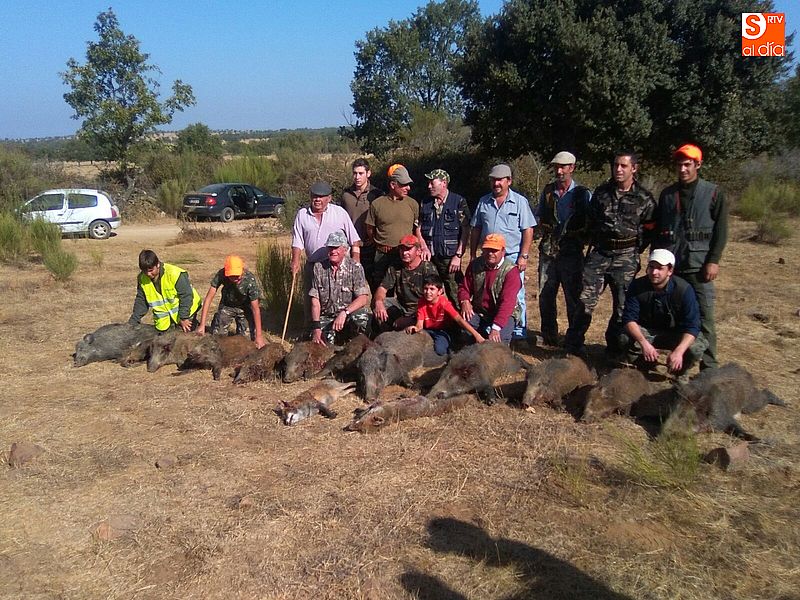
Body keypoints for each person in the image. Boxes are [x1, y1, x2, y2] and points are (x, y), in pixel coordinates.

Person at [564, 151, 656, 358]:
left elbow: (650, 229)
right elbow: (591, 222)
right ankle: (573, 346)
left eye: (623, 166)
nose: (618, 170)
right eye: (616, 165)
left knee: (623, 306)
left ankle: (614, 348)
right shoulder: (601, 193)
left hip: (626, 256)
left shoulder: (645, 198)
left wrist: (635, 249)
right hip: (600, 254)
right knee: (584, 301)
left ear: (634, 168)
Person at [653, 143, 728, 370]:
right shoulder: (667, 195)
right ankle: (680, 360)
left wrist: (713, 260)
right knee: (674, 314)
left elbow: (721, 230)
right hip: (672, 266)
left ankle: (709, 367)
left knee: (705, 317)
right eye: (679, 165)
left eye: (688, 164)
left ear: (698, 164)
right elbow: (659, 231)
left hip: (698, 266)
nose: (683, 169)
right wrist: (656, 263)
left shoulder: (712, 193)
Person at [469, 163, 535, 340]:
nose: (496, 183)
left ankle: (519, 330)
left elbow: (528, 230)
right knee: (486, 290)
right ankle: (490, 324)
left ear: (509, 181)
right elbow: (476, 228)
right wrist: (473, 253)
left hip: (512, 255)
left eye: (500, 180)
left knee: (516, 295)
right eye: (493, 180)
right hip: (488, 255)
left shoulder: (520, 202)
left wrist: (524, 255)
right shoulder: (483, 201)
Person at [622, 249, 707, 382]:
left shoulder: (684, 290)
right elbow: (629, 319)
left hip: (676, 333)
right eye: (651, 267)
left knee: (696, 347)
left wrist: (679, 351)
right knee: (624, 337)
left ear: (670, 271)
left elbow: (692, 326)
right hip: (649, 332)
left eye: (660, 268)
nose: (654, 272)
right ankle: (643, 366)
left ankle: (680, 371)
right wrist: (644, 344)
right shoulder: (637, 286)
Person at [535, 151, 591, 347]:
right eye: (556, 167)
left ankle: (574, 338)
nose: (559, 171)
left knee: (573, 297)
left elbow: (589, 223)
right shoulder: (548, 191)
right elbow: (540, 216)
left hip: (572, 253)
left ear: (572, 168)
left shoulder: (583, 194)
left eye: (563, 167)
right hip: (549, 252)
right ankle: (549, 335)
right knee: (545, 295)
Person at [291, 181, 361, 322]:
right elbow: (297, 241)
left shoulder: (339, 213)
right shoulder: (302, 215)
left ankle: (349, 328)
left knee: (344, 297)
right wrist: (295, 261)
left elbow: (354, 239)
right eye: (314, 196)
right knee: (311, 299)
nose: (317, 199)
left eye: (321, 196)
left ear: (328, 198)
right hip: (314, 264)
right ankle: (311, 329)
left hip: (338, 265)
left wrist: (356, 259)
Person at [418, 168, 471, 305]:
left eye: (432, 183)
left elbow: (466, 229)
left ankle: (461, 324)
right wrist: (423, 247)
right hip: (430, 256)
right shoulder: (425, 203)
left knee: (456, 293)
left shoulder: (458, 202)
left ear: (443, 183)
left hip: (450, 257)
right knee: (428, 292)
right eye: (428, 183)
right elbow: (417, 228)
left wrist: (458, 256)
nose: (429, 186)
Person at [309, 231, 371, 346]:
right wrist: (316, 327)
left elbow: (363, 298)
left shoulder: (355, 267)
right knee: (320, 344)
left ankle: (356, 342)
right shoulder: (318, 268)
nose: (333, 251)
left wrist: (344, 313)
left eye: (336, 248)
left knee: (361, 318)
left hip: (348, 314)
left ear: (345, 249)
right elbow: (315, 300)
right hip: (327, 316)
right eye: (330, 248)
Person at [458, 233, 522, 344]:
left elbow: (507, 303)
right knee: (464, 330)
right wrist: (465, 301)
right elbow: (464, 287)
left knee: (498, 343)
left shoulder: (511, 272)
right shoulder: (475, 265)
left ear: (503, 251)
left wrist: (496, 328)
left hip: (505, 313)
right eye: (487, 250)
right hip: (480, 310)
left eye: (494, 250)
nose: (490, 253)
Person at [365, 164, 421, 289]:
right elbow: (370, 228)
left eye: (408, 184)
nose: (408, 188)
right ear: (392, 185)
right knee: (381, 289)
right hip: (383, 255)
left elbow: (417, 229)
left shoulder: (413, 204)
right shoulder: (377, 204)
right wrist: (379, 243)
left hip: (406, 255)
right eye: (404, 185)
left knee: (407, 289)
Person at [196, 255, 266, 348]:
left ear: (242, 270)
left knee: (247, 341)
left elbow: (255, 309)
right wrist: (202, 325)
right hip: (227, 306)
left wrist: (259, 336)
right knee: (217, 338)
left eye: (237, 275)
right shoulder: (221, 274)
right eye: (232, 276)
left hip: (245, 308)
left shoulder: (250, 280)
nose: (235, 278)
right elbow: (209, 298)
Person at [405, 273, 485, 355]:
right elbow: (420, 325)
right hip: (428, 329)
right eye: (426, 289)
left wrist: (476, 335)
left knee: (440, 351)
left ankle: (450, 343)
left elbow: (459, 320)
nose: (428, 292)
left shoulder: (444, 303)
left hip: (443, 330)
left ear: (440, 291)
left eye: (432, 289)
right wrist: (416, 328)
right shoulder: (421, 302)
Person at [373, 234, 438, 331]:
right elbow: (382, 288)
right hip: (402, 307)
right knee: (377, 304)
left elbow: (435, 299)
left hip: (421, 311)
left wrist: (411, 319)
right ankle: (387, 335)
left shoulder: (428, 268)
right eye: (402, 249)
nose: (404, 253)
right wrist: (378, 302)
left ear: (418, 251)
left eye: (408, 249)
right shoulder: (395, 266)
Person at [129, 249, 202, 332]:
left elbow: (186, 296)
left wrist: (184, 318)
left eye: (150, 270)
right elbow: (141, 300)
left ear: (158, 264)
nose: (148, 274)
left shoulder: (175, 273)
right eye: (145, 271)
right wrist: (133, 321)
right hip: (165, 319)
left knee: (186, 338)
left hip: (187, 310)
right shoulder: (142, 278)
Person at [338, 158, 384, 285]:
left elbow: (382, 220)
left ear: (368, 173)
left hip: (370, 246)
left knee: (375, 282)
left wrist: (374, 238)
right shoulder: (346, 195)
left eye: (361, 173)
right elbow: (340, 219)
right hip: (349, 246)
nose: (357, 177)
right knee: (349, 284)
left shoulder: (377, 194)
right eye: (355, 173)